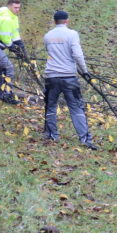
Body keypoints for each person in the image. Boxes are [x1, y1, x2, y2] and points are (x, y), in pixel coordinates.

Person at [42, 10, 97, 149]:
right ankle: (85, 139)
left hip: (51, 76)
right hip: (68, 77)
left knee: (51, 106)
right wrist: (84, 71)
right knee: (76, 108)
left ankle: (52, 135)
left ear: (55, 21)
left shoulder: (48, 36)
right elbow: (77, 55)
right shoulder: (72, 34)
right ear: (67, 21)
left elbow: (50, 53)